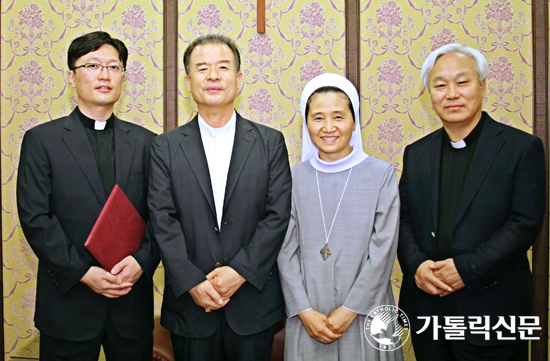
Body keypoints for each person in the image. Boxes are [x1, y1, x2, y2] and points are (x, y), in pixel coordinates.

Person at [148, 34, 292, 361]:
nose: (213, 76)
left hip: (253, 305)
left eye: (223, 67)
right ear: (188, 82)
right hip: (190, 306)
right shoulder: (165, 147)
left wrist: (239, 271)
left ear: (238, 80)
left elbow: (277, 216)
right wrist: (192, 282)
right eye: (202, 68)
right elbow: (162, 219)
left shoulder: (270, 143)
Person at [398, 43, 546, 361]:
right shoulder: (417, 152)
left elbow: (525, 224)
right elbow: (402, 218)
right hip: (428, 309)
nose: (451, 93)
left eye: (462, 82)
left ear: (481, 86)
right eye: (440, 85)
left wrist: (466, 269)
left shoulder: (521, 147)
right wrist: (416, 266)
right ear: (430, 93)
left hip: (494, 310)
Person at [17, 31, 159, 360]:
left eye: (114, 67)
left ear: (123, 76)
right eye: (93, 65)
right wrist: (83, 272)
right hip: (68, 304)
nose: (105, 74)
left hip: (130, 301)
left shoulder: (147, 143)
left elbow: (161, 214)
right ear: (71, 75)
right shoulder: (42, 141)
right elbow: (36, 218)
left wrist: (141, 261)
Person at [277, 73, 403, 360]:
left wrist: (349, 310)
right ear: (306, 123)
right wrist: (305, 311)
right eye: (318, 118)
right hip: (308, 314)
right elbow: (284, 252)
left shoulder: (381, 175)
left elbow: (383, 251)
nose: (328, 127)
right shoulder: (292, 178)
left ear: (354, 121)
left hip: (365, 311)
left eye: (338, 117)